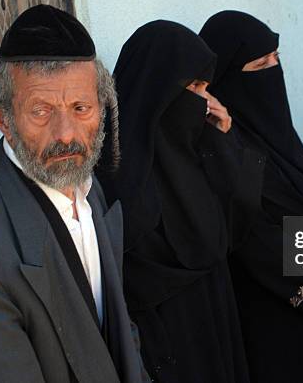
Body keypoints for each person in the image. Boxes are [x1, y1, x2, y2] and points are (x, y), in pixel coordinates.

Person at [0, 5, 149, 383]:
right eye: (41, 111)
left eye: (81, 108)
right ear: (3, 118)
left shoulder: (87, 189)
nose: (66, 133)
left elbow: (116, 331)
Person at [200, 11, 303, 383]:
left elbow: (302, 206)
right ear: (225, 79)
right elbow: (251, 233)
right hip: (266, 311)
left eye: (277, 58)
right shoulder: (221, 147)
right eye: (260, 64)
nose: (274, 70)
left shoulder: (276, 139)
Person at [96, 20, 258, 383]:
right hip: (165, 347)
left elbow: (236, 224)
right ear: (158, 90)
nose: (202, 100)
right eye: (193, 87)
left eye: (206, 87)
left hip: (216, 326)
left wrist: (225, 140)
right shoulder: (117, 177)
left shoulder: (196, 155)